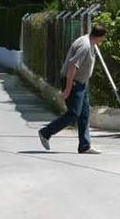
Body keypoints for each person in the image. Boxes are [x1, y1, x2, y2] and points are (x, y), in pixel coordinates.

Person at [39, 24, 107, 154]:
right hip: (74, 83)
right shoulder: (85, 46)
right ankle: (45, 132)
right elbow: (72, 67)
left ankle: (85, 146)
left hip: (81, 84)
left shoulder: (89, 42)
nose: (102, 40)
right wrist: (68, 89)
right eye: (103, 38)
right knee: (73, 114)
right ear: (99, 36)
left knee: (84, 115)